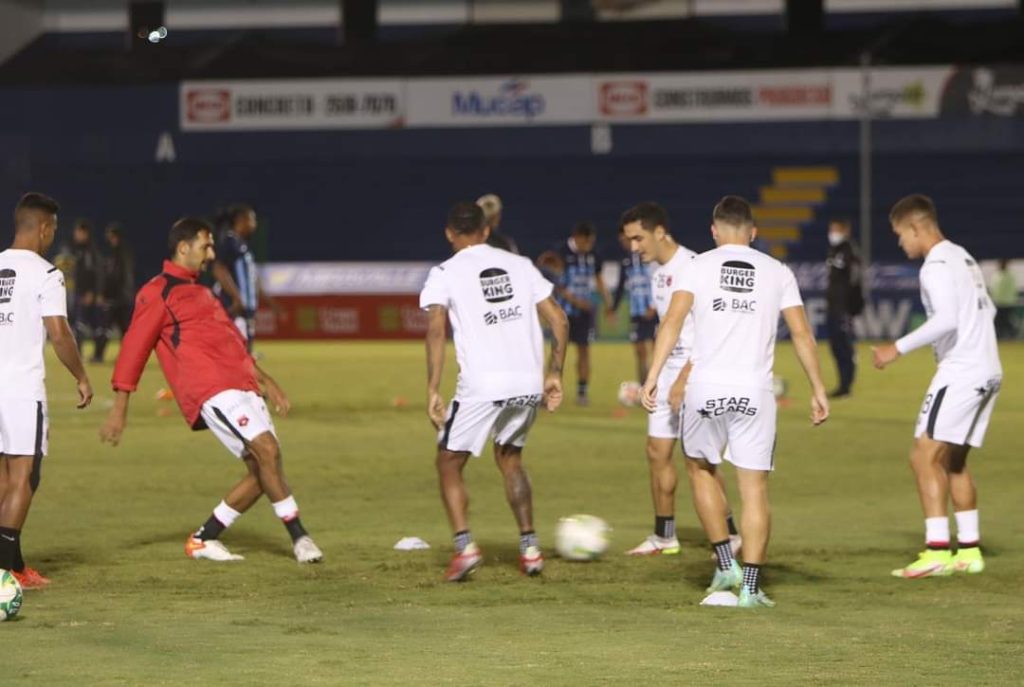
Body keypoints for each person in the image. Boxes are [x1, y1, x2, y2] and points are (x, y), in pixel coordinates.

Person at [100, 217, 322, 565]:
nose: (211, 253)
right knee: (268, 451)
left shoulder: (203, 293)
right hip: (211, 389)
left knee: (263, 470)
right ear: (183, 247)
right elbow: (134, 349)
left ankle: (204, 539)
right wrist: (119, 408)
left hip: (242, 386)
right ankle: (300, 537)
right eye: (206, 245)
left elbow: (234, 345)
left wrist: (266, 380)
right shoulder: (157, 292)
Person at [641, 196, 829, 608]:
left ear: (714, 231)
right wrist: (817, 387)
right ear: (753, 232)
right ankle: (751, 587)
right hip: (755, 392)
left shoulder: (696, 266)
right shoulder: (777, 271)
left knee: (701, 469)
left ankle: (725, 563)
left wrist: (653, 376)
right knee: (754, 489)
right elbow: (801, 334)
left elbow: (671, 322)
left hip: (705, 387)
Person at [421, 201, 568, 582]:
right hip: (526, 383)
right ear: (486, 231)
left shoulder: (445, 272)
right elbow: (559, 318)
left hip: (482, 384)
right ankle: (531, 549)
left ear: (450, 233)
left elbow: (436, 329)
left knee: (448, 462)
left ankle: (465, 547)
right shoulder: (520, 265)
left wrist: (433, 388)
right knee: (511, 458)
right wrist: (554, 373)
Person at [873, 194, 1001, 579]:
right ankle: (970, 550)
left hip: (961, 370)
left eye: (900, 234)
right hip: (988, 368)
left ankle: (936, 551)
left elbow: (946, 319)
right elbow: (989, 309)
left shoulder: (936, 265)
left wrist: (897, 347)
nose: (900, 243)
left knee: (923, 455)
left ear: (915, 227)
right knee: (954, 460)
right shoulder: (962, 256)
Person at [620, 202, 741, 558]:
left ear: (660, 232)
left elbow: (707, 330)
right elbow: (668, 329)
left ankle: (732, 534)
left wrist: (682, 379)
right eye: (629, 240)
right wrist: (654, 377)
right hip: (669, 373)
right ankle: (664, 536)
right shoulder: (657, 272)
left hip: (695, 371)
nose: (633, 247)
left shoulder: (694, 267)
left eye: (638, 238)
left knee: (700, 461)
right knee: (657, 451)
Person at [0, 193, 94, 589]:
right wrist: (82, 376)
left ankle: (13, 565)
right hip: (21, 390)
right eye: (52, 229)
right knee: (25, 477)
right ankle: (4, 572)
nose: (53, 236)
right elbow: (59, 333)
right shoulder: (47, 273)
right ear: (43, 228)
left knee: (4, 479)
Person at [555, 221, 611, 406]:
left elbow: (599, 280)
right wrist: (577, 302)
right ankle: (551, 389)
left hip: (585, 313)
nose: (589, 246)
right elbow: (557, 285)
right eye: (587, 242)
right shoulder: (561, 252)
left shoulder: (593, 256)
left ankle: (582, 392)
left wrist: (608, 305)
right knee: (557, 351)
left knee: (584, 351)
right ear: (578, 238)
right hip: (563, 312)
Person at [211, 204, 275, 352]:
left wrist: (269, 302)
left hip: (245, 307)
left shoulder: (242, 245)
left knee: (245, 353)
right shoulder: (230, 242)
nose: (254, 224)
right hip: (234, 306)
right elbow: (218, 268)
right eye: (252, 219)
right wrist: (237, 298)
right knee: (236, 353)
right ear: (241, 220)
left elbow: (252, 277)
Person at [610, 221, 657, 384]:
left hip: (654, 312)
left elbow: (660, 281)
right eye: (622, 240)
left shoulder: (649, 255)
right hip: (636, 312)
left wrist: (654, 305)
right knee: (639, 352)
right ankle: (643, 386)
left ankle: (659, 386)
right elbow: (620, 286)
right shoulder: (625, 260)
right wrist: (613, 309)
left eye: (627, 239)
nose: (625, 243)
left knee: (658, 351)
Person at [825, 218, 865, 398]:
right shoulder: (835, 251)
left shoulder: (850, 251)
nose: (832, 234)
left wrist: (853, 306)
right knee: (835, 346)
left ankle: (847, 385)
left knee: (845, 346)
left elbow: (855, 281)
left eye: (835, 230)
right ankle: (842, 384)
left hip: (843, 308)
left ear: (844, 231)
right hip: (833, 306)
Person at [93, 223, 135, 363]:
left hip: (116, 298)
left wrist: (104, 294)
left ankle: (99, 356)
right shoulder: (122, 253)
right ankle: (127, 358)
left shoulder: (117, 254)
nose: (108, 238)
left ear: (115, 237)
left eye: (110, 236)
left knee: (105, 328)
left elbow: (115, 276)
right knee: (124, 330)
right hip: (122, 297)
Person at [70, 218, 104, 361]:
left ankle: (97, 355)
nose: (75, 235)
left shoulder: (90, 251)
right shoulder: (80, 250)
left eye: (78, 232)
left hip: (86, 294)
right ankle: (83, 355)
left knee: (89, 325)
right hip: (80, 293)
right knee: (83, 325)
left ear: (84, 233)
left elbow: (95, 273)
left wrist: (92, 292)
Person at [989, 259, 1018, 340]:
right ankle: (1000, 336)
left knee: (1006, 321)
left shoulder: (1010, 275)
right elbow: (993, 289)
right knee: (999, 322)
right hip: (998, 303)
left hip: (1007, 303)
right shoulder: (996, 275)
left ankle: (1012, 335)